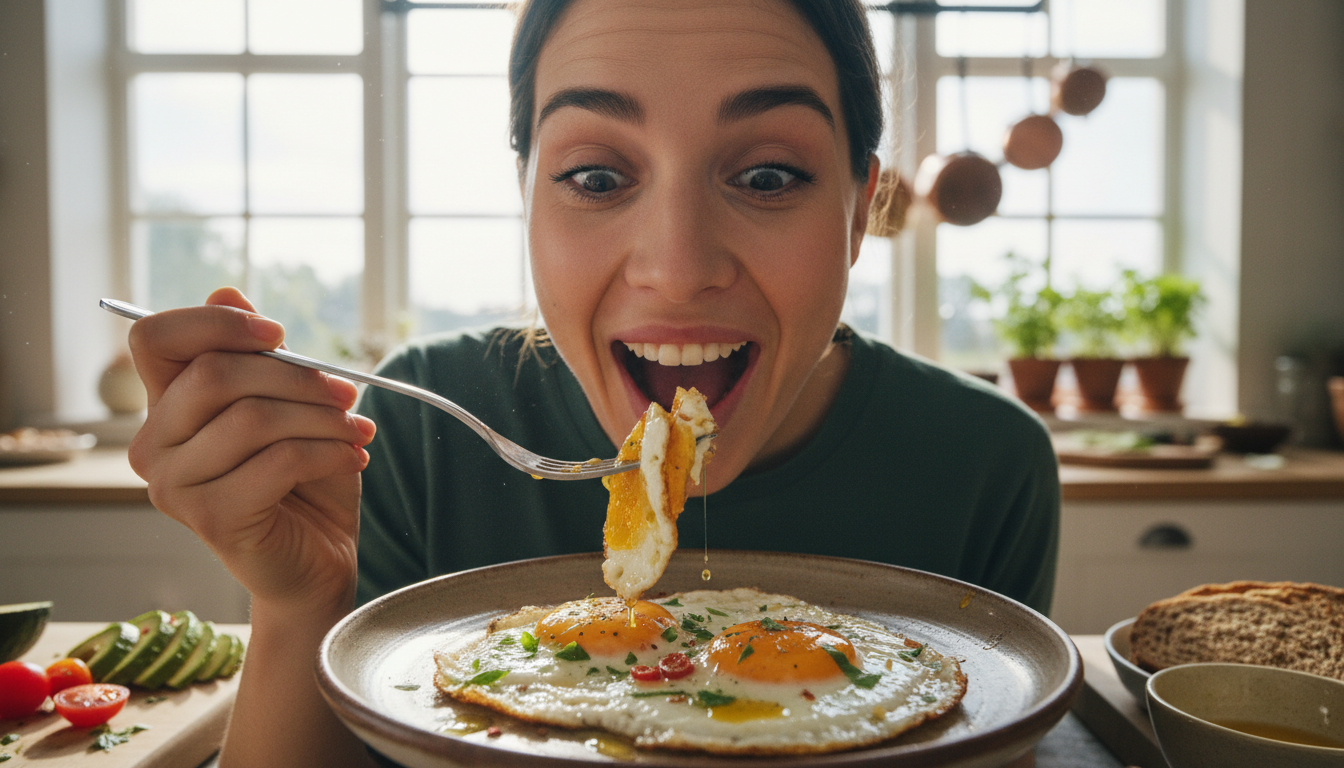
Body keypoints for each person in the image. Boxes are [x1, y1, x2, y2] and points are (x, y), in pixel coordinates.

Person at [126, 0, 1058, 765]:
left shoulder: (986, 461)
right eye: (598, 176)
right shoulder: (414, 433)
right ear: (526, 195)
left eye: (769, 175)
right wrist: (298, 606)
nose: (678, 266)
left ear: (862, 210)